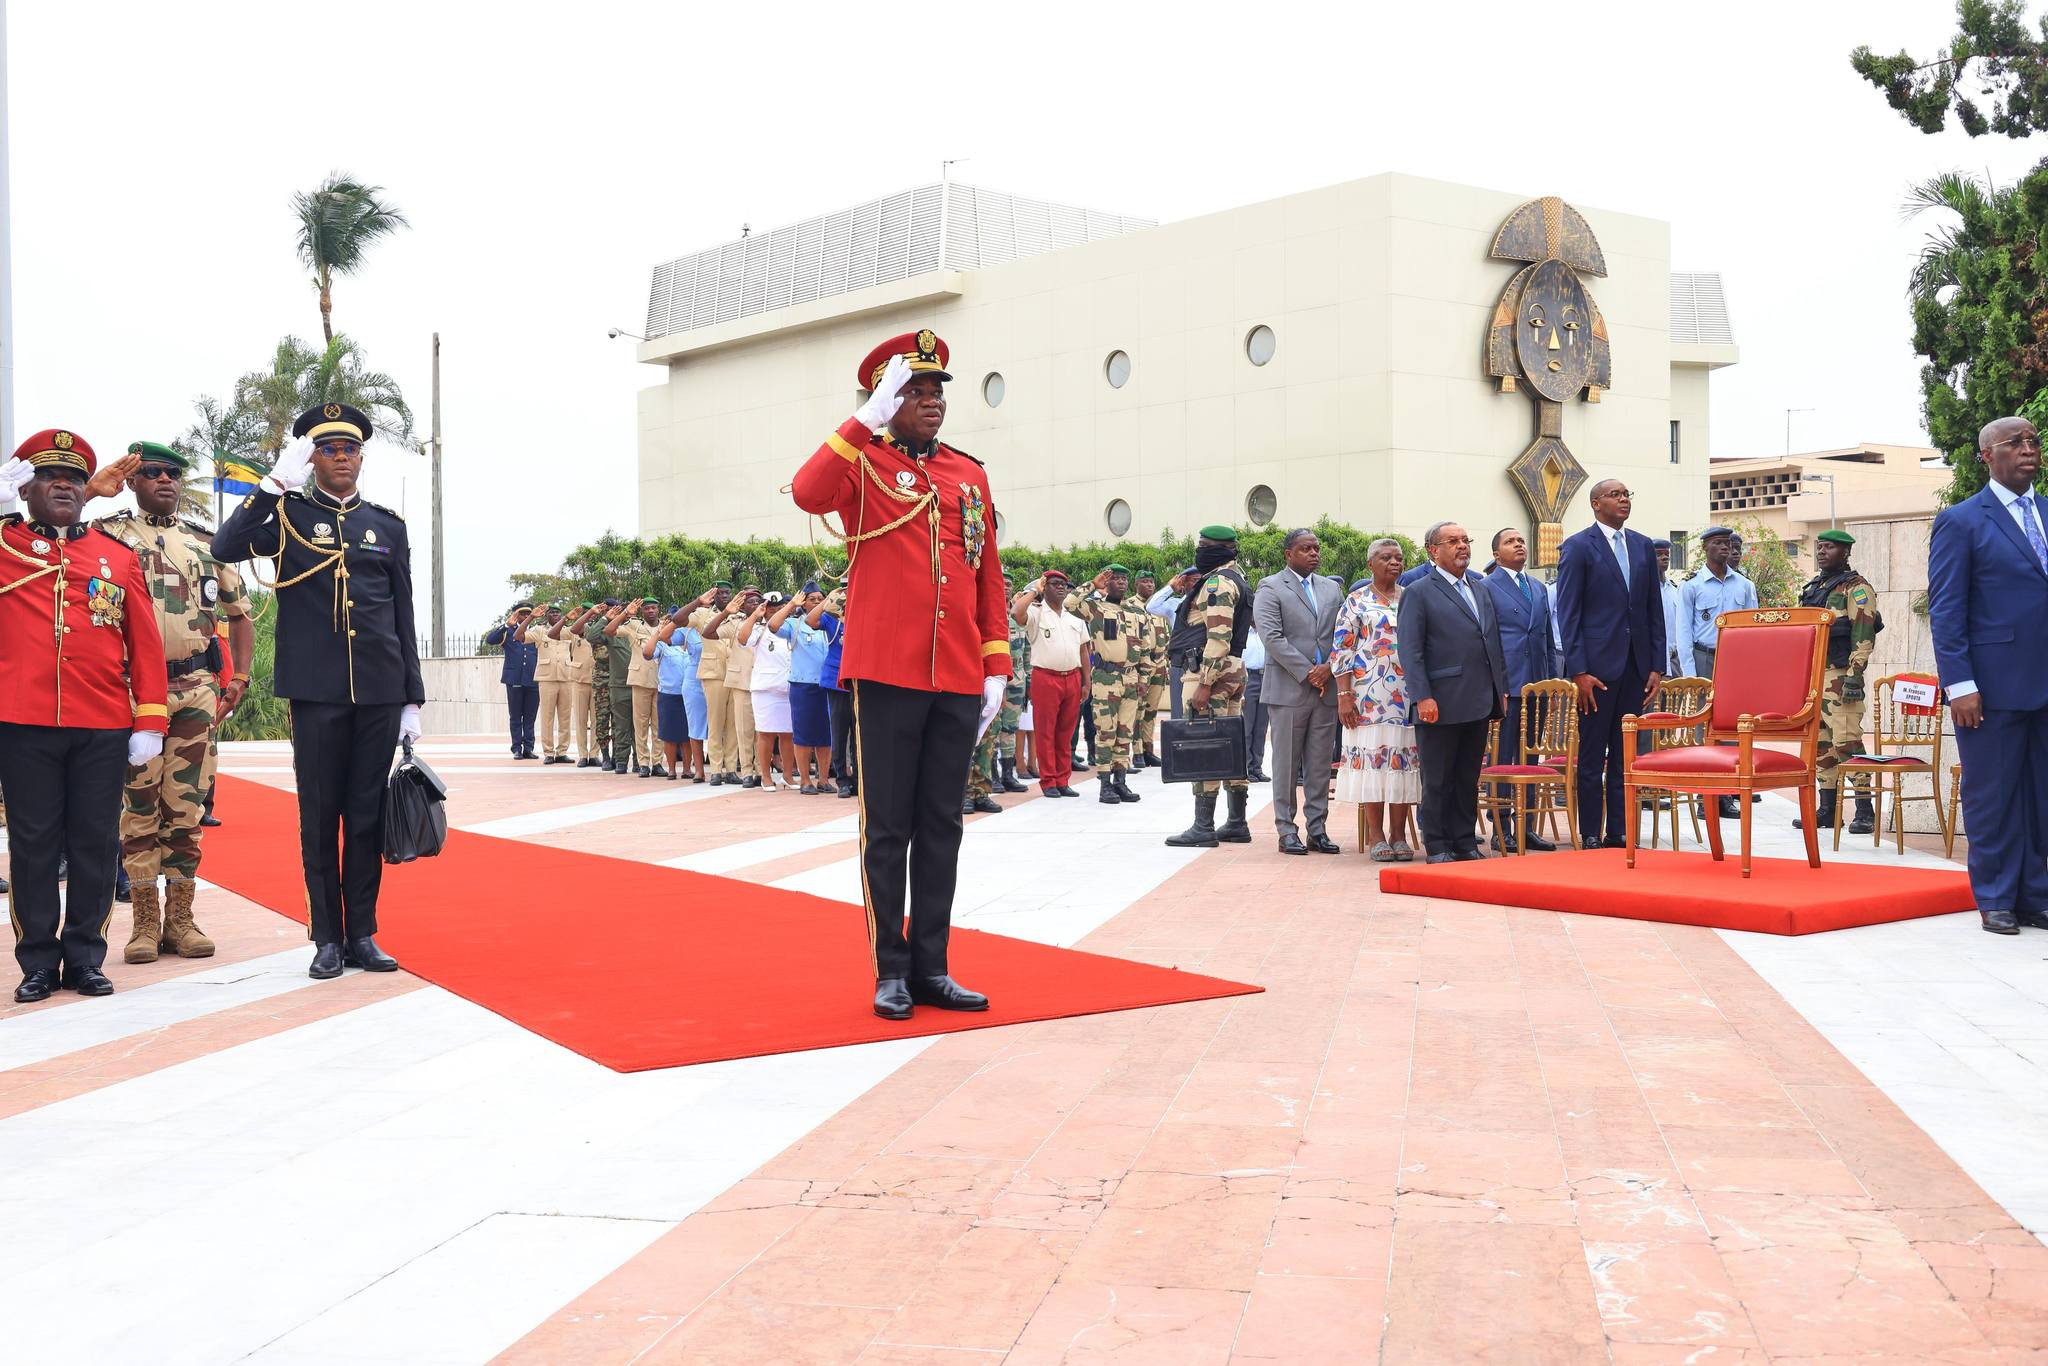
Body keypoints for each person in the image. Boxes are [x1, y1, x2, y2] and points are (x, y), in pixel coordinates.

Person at [790, 329, 1009, 1019]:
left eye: (936, 390)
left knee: (942, 823)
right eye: (913, 391)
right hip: (887, 674)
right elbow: (806, 491)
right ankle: (890, 968)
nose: (931, 401)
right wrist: (864, 422)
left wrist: (995, 663)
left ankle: (933, 966)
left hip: (956, 675)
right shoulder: (863, 464)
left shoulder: (967, 474)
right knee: (888, 828)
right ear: (886, 399)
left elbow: (988, 575)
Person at [212, 402, 420, 980]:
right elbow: (225, 547)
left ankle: (364, 932)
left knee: (366, 818)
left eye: (350, 449)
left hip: (377, 691)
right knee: (319, 817)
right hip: (318, 693)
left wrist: (410, 698)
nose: (342, 458)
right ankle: (327, 937)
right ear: (312, 457)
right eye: (329, 449)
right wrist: (273, 486)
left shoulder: (387, 525)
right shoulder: (288, 515)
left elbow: (402, 615)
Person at [0, 430, 167, 1001]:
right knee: (34, 845)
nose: (63, 486)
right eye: (49, 477)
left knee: (95, 843)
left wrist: (149, 720)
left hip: (100, 722)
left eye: (73, 478)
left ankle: (86, 955)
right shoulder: (5, 546)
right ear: (27, 489)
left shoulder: (115, 557)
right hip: (22, 721)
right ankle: (38, 962)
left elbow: (144, 644)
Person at [96, 440, 253, 962]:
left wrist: (240, 679)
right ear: (134, 481)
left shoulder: (207, 545)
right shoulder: (108, 537)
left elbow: (240, 614)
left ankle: (181, 919)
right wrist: (95, 492)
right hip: (134, 694)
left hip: (195, 693)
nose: (166, 480)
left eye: (173, 474)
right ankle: (144, 922)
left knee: (186, 807)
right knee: (138, 805)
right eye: (154, 472)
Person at [1928, 415, 2048, 934]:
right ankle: (1996, 897)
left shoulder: (2046, 511)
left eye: (2034, 440)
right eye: (2015, 442)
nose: (2028, 448)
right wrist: (1960, 685)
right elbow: (1947, 609)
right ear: (1987, 456)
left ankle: (2035, 896)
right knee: (1993, 796)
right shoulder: (1962, 520)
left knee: (2042, 796)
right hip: (1990, 687)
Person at [1553, 478, 1665, 849]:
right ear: (1595, 503)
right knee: (1591, 755)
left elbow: (1653, 609)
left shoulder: (1642, 545)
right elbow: (1569, 614)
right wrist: (1579, 671)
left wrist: (1656, 666)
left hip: (1636, 667)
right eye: (1615, 495)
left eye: (1626, 494)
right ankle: (1589, 832)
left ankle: (1619, 831)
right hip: (1596, 672)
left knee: (1625, 755)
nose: (1623, 500)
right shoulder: (1578, 546)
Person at [1397, 521, 1510, 862]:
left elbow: (1493, 642)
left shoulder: (1480, 587)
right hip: (1439, 700)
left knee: (1467, 776)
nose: (1462, 546)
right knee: (1438, 778)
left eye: (1465, 540)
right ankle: (1437, 843)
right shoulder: (1419, 591)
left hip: (1479, 698)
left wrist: (1500, 688)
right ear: (1434, 549)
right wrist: (1422, 696)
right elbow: (1411, 650)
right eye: (1453, 541)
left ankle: (1464, 840)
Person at [1252, 528, 1342, 854]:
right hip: (1289, 689)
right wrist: (1308, 672)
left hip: (1326, 688)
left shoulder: (1332, 589)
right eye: (1306, 549)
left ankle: (1317, 829)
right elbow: (1272, 638)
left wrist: (1329, 668)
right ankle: (1286, 829)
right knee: (1286, 764)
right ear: (1289, 554)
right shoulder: (1271, 587)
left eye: (1316, 548)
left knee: (1319, 764)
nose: (1314, 553)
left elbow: (1344, 635)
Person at [1165, 526, 1256, 847]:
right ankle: (1236, 822)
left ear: (1222, 549)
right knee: (1230, 744)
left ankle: (1203, 826)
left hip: (1211, 673)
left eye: (1204, 546)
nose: (1199, 551)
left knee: (1206, 745)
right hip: (1233, 670)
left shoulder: (1218, 583)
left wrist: (1204, 683)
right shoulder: (1237, 579)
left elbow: (1218, 638)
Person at [1791, 528, 1883, 836]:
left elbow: (1863, 632)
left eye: (1829, 548)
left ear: (1845, 552)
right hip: (1815, 677)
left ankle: (1864, 810)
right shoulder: (1814, 588)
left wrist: (1855, 676)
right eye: (1820, 547)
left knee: (1848, 743)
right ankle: (1828, 810)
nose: (1821, 552)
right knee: (1822, 746)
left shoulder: (1856, 588)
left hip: (1842, 676)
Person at [1334, 539, 1420, 861]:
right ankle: (1376, 835)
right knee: (1374, 765)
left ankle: (1399, 835)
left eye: (1398, 558)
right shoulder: (1356, 601)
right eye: (1386, 558)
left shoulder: (1412, 598)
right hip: (1367, 698)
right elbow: (1341, 651)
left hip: (1407, 697)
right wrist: (1344, 696)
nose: (1394, 563)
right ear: (1371, 564)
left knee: (1401, 765)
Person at [1481, 527, 1560, 851]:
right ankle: (1502, 829)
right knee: (1502, 756)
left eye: (1521, 541)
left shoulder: (1538, 588)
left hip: (1536, 686)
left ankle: (1526, 826)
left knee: (1530, 756)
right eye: (1511, 542)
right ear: (1497, 553)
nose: (1519, 545)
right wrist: (1495, 684)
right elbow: (1487, 640)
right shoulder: (1487, 587)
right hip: (1507, 685)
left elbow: (1545, 638)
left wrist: (1552, 684)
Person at [1069, 564, 1145, 804]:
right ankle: (1105, 784)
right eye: (1115, 578)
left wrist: (1143, 678)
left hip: (1131, 678)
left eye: (1124, 578)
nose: (1121, 582)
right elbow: (1069, 604)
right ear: (1106, 582)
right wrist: (1093, 584)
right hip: (1106, 677)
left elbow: (1143, 646)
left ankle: (1120, 781)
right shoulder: (1095, 607)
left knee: (1125, 732)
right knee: (1106, 732)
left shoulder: (1136, 611)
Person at [1018, 568, 1087, 796]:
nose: (1060, 587)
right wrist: (1033, 591)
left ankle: (1062, 779)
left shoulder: (1074, 620)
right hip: (1046, 678)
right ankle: (1048, 781)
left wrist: (1086, 682)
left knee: (1065, 733)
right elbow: (1016, 613)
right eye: (1054, 583)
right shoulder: (1037, 613)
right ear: (1044, 587)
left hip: (1072, 678)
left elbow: (1083, 651)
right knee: (1046, 732)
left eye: (1063, 585)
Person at [1679, 526, 1757, 684]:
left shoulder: (1745, 585)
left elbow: (1753, 629)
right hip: (1704, 658)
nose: (1724, 547)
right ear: (1704, 547)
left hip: (1737, 657)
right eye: (1717, 542)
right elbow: (1683, 631)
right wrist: (1689, 673)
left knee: (1736, 706)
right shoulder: (1691, 585)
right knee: (1704, 706)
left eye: (1727, 543)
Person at [647, 593, 707, 783]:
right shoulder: (668, 643)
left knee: (687, 733)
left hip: (692, 690)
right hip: (671, 693)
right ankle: (672, 769)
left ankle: (688, 769)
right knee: (671, 735)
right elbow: (648, 653)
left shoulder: (696, 633)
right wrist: (662, 630)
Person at [784, 583, 834, 794]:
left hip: (826, 685)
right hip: (803, 685)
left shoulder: (831, 623)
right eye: (812, 599)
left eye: (820, 598)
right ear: (803, 603)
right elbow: (773, 626)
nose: (817, 602)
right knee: (803, 735)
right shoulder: (795, 625)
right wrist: (790, 606)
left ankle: (823, 779)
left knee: (826, 735)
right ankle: (805, 780)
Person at [746, 592, 799, 788]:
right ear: (764, 610)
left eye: (779, 609)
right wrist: (755, 616)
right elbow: (743, 639)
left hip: (788, 687)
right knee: (766, 733)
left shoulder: (792, 629)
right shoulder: (759, 630)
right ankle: (766, 776)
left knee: (788, 734)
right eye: (771, 610)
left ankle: (787, 774)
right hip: (765, 689)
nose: (775, 612)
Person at [808, 586, 855, 797]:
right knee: (839, 731)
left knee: (859, 734)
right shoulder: (830, 619)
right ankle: (842, 780)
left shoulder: (859, 618)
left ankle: (858, 779)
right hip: (835, 679)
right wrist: (827, 599)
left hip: (857, 680)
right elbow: (810, 620)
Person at [608, 598, 663, 777]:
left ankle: (657, 763)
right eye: (647, 609)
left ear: (658, 610)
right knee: (640, 725)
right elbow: (609, 630)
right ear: (642, 612)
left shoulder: (666, 626)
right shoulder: (634, 626)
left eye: (653, 608)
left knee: (658, 725)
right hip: (640, 680)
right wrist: (625, 613)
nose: (650, 611)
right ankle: (643, 763)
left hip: (662, 681)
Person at [483, 604, 539, 759]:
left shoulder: (535, 631)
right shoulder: (508, 631)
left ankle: (528, 748)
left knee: (530, 717)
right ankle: (516, 748)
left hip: (533, 679)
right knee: (515, 716)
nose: (526, 616)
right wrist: (507, 624)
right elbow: (490, 640)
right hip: (514, 679)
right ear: (516, 615)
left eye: (529, 613)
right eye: (523, 613)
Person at [552, 604, 601, 766]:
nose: (591, 615)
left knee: (597, 721)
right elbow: (554, 634)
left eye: (593, 613)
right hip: (579, 680)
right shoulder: (576, 629)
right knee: (580, 720)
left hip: (598, 680)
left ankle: (594, 754)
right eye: (587, 613)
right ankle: (582, 754)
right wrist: (569, 618)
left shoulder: (601, 626)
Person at [523, 603, 572, 764]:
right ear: (546, 615)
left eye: (558, 612)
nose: (555, 615)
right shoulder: (539, 630)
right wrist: (531, 617)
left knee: (565, 718)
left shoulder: (567, 630)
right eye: (552, 612)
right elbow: (520, 636)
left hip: (565, 677)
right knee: (547, 717)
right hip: (547, 678)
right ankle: (549, 752)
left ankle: (562, 751)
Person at [1130, 570, 1169, 767]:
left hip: (1159, 663)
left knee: (1151, 711)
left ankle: (1148, 749)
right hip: (1141, 665)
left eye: (1152, 582)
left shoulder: (1158, 606)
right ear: (1136, 584)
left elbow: (1166, 636)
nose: (1149, 585)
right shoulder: (1130, 606)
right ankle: (1136, 752)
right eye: (1145, 582)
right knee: (1137, 710)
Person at [1148, 567, 1197, 719]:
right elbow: (1151, 606)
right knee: (1178, 709)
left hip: (1202, 661)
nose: (1198, 584)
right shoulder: (1174, 604)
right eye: (1193, 581)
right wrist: (1170, 588)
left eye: (1200, 580)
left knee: (1199, 709)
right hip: (1180, 661)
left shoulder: (1209, 604)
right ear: (1183, 584)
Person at [1653, 540, 1691, 678]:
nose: (1665, 557)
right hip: (1654, 664)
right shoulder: (1644, 590)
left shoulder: (1675, 590)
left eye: (1667, 554)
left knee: (1676, 700)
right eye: (1659, 554)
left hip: (1675, 661)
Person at [1242, 625, 1271, 782]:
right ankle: (1245, 768)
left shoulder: (1266, 631)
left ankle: (1256, 768)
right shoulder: (1242, 631)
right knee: (1246, 727)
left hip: (1265, 677)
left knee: (1261, 728)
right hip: (1248, 678)